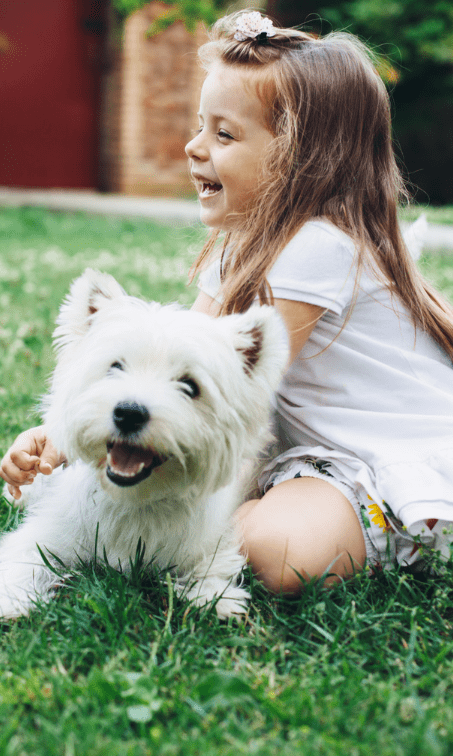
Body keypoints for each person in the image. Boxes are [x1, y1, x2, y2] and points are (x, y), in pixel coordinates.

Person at [2, 11, 453, 594]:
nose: (193, 148)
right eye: (200, 125)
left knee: (277, 554)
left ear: (302, 156)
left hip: (390, 457)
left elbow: (236, 405)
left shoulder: (321, 245)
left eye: (224, 134)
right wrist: (59, 438)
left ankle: (398, 528)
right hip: (318, 458)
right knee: (238, 528)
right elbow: (178, 367)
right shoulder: (237, 247)